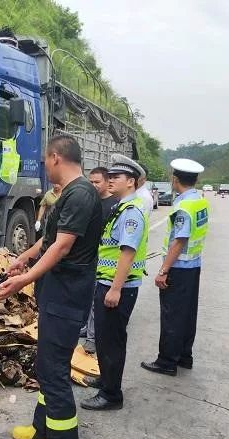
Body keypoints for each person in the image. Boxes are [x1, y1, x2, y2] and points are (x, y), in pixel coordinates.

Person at [0, 135, 101, 439]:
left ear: (56, 157)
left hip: (67, 296)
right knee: (46, 364)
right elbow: (50, 239)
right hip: (56, 294)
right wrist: (24, 258)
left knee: (54, 369)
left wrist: (23, 281)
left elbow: (62, 248)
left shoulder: (81, 193)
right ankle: (43, 429)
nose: (42, 164)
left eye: (44, 159)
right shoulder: (69, 193)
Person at [81, 155, 148, 410]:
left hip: (117, 286)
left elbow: (127, 252)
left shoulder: (131, 212)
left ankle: (111, 395)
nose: (111, 181)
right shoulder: (122, 206)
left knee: (112, 342)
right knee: (104, 340)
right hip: (107, 282)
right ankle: (105, 379)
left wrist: (116, 288)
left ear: (130, 181)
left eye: (116, 178)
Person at [141, 158, 209, 376]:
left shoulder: (183, 205)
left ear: (175, 179)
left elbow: (179, 241)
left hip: (178, 268)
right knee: (187, 314)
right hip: (194, 266)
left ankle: (166, 361)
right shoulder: (199, 201)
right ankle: (184, 356)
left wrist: (163, 271)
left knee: (172, 315)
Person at [80, 167, 120, 346]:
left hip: (107, 260)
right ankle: (86, 328)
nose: (94, 185)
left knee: (98, 299)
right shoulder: (91, 201)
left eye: (97, 182)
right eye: (91, 182)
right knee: (89, 295)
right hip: (91, 256)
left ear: (107, 182)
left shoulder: (115, 204)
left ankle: (92, 338)